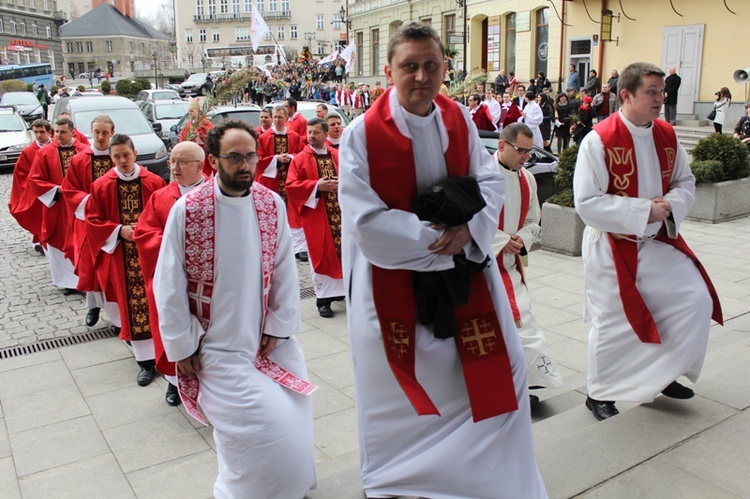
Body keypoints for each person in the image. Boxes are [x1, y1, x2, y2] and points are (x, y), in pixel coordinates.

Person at [338, 21, 546, 498]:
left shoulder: (458, 119)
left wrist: (467, 230)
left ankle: (492, 477)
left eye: (431, 65)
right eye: (409, 66)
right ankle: (401, 479)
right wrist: (438, 238)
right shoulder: (362, 135)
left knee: (507, 370)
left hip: (465, 272)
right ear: (389, 71)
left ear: (443, 68)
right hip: (393, 281)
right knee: (397, 394)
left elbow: (489, 181)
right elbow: (365, 220)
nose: (421, 75)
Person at [153, 119, 316, 497]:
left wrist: (278, 326)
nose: (245, 166)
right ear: (213, 161)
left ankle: (289, 487)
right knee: (259, 428)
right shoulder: (189, 209)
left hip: (265, 338)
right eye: (234, 158)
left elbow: (283, 271)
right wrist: (183, 345)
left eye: (250, 157)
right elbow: (169, 284)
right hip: (215, 347)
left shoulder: (269, 203)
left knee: (295, 416)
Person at [573, 62, 722, 422]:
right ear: (626, 95)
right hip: (612, 242)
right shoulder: (600, 140)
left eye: (661, 91)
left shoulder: (667, 135)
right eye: (651, 92)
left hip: (656, 241)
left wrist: (669, 207)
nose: (660, 98)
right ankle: (600, 393)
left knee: (694, 300)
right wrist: (642, 211)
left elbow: (685, 181)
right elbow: (586, 203)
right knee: (613, 321)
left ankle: (664, 373)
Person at [86, 134, 167, 386]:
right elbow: (92, 221)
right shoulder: (100, 186)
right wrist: (119, 231)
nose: (122, 160)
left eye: (126, 154)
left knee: (157, 303)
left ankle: (166, 358)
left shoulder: (153, 182)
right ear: (110, 158)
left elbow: (166, 215)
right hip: (122, 256)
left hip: (152, 255)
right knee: (132, 307)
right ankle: (144, 362)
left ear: (135, 152)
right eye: (116, 156)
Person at [492, 123, 563, 403]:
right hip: (483, 266)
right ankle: (503, 387)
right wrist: (499, 240)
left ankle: (529, 384)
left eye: (528, 151)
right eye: (520, 150)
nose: (525, 157)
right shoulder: (481, 176)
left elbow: (534, 221)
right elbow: (467, 222)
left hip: (510, 264)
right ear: (502, 145)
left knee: (524, 322)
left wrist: (520, 239)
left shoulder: (527, 179)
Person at [133, 142, 207, 407]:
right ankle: (174, 381)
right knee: (173, 326)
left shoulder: (217, 195)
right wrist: (176, 243)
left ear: (200, 165)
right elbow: (144, 233)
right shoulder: (161, 197)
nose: (174, 167)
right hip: (171, 278)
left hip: (209, 283)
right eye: (172, 162)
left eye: (181, 162)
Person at [61, 115, 120, 329]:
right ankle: (93, 305)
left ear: (112, 132)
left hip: (114, 222)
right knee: (91, 266)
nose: (101, 137)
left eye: (105, 132)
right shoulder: (79, 159)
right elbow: (69, 191)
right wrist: (92, 202)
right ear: (90, 132)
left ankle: (118, 318)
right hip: (87, 220)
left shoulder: (120, 156)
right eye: (97, 132)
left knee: (113, 269)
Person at [286, 118, 345, 318]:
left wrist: (343, 182)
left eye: (316, 132)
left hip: (341, 214)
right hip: (317, 216)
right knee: (321, 253)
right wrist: (316, 186)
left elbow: (354, 177)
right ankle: (324, 300)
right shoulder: (301, 159)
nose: (311, 136)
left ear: (325, 134)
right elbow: (291, 186)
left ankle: (343, 292)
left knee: (343, 253)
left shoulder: (338, 155)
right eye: (309, 132)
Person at [28, 117, 89, 293]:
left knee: (80, 241)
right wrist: (57, 189)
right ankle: (67, 282)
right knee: (58, 239)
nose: (58, 136)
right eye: (56, 132)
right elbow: (35, 179)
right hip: (57, 205)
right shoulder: (45, 153)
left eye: (63, 132)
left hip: (79, 204)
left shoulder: (84, 151)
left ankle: (84, 280)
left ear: (72, 132)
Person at [256, 104, 307, 261]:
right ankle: (271, 246)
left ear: (286, 118)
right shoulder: (263, 138)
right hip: (272, 181)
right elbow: (258, 159)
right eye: (275, 117)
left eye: (280, 117)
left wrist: (291, 157)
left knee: (293, 213)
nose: (277, 120)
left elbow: (302, 154)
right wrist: (276, 159)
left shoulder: (294, 136)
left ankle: (298, 248)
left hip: (290, 180)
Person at [8, 119, 51, 253]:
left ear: (49, 132)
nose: (39, 135)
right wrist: (33, 184)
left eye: (42, 132)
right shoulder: (28, 152)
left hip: (54, 189)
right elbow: (20, 173)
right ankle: (40, 240)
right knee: (39, 217)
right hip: (37, 192)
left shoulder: (56, 148)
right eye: (36, 132)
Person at [180, 97, 214, 177]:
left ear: (198, 111)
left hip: (205, 156)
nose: (190, 113)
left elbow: (213, 140)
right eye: (189, 111)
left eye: (192, 111)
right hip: (192, 156)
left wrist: (203, 137)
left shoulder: (206, 124)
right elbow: (182, 138)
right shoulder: (189, 125)